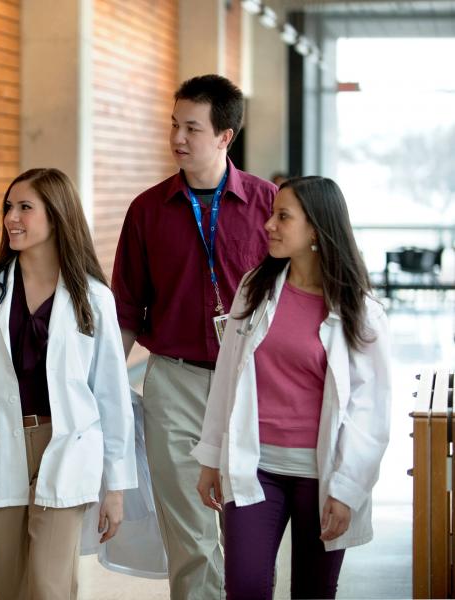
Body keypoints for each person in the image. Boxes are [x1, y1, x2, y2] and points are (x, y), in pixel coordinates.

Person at [0, 168, 137, 600]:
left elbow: (111, 396)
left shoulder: (93, 297)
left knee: (48, 585)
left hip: (67, 444)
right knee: (7, 583)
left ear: (57, 216)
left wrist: (115, 486)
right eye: (9, 207)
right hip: (0, 442)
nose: (11, 218)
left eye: (25, 207)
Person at [110, 74, 277, 598]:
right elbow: (126, 307)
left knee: (248, 534)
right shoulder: (146, 210)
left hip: (251, 383)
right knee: (190, 538)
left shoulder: (268, 204)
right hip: (175, 384)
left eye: (192, 128)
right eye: (173, 125)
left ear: (225, 136)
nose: (177, 138)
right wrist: (105, 385)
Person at [193, 176, 392, 599]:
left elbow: (370, 413)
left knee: (313, 591)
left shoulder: (361, 312)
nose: (268, 225)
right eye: (272, 214)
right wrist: (211, 457)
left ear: (316, 230)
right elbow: (227, 377)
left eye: (283, 217)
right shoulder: (255, 288)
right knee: (245, 588)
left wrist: (347, 490)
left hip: (322, 476)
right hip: (255, 465)